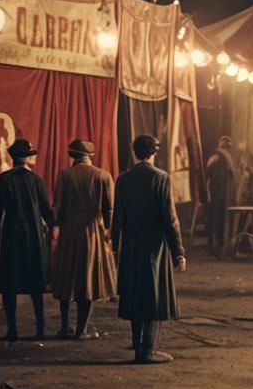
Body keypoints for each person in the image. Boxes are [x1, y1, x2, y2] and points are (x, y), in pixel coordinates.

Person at [113, 134, 186, 363]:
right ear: (154, 153)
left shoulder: (123, 179)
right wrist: (178, 251)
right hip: (155, 244)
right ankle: (148, 349)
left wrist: (115, 248)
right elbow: (169, 219)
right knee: (155, 295)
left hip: (131, 244)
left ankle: (137, 344)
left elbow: (118, 218)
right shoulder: (161, 178)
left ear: (134, 152)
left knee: (135, 293)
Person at [0, 139, 55, 341]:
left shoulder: (4, 179)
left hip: (12, 234)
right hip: (34, 234)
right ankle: (40, 327)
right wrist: (55, 225)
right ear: (28, 157)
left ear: (12, 157)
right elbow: (46, 209)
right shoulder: (36, 181)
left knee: (10, 282)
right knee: (36, 281)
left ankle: (12, 330)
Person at [50, 139, 115, 340]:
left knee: (66, 278)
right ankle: (81, 329)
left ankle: (63, 326)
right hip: (93, 231)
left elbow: (58, 207)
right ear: (90, 156)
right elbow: (109, 209)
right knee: (87, 279)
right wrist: (108, 231)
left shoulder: (64, 175)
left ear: (72, 156)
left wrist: (57, 225)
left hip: (70, 230)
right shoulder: (103, 175)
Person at [205, 136, 236, 258]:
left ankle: (219, 245)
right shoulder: (217, 156)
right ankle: (215, 245)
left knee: (219, 217)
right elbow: (209, 173)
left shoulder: (224, 157)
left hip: (222, 193)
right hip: (217, 192)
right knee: (216, 217)